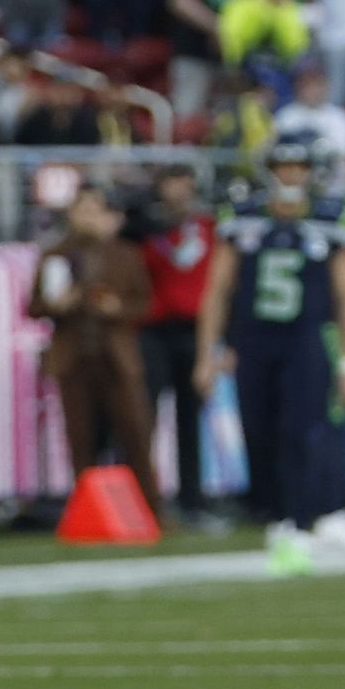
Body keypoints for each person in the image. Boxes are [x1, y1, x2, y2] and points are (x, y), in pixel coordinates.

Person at [192, 138, 345, 573]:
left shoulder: (330, 218)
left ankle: (300, 522)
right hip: (253, 338)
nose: (290, 174)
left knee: (301, 430)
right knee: (258, 429)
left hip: (306, 338)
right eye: (283, 165)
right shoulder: (243, 217)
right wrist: (208, 351)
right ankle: (276, 515)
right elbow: (218, 289)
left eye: (298, 166)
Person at [28, 183, 160, 517]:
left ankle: (148, 509)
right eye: (82, 210)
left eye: (93, 210)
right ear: (72, 214)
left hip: (117, 358)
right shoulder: (55, 254)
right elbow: (34, 305)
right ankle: (89, 511)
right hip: (73, 358)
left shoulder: (124, 254)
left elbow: (144, 304)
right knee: (81, 439)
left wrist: (117, 308)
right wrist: (59, 305)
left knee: (134, 434)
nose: (88, 217)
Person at [129, 163, 214, 527]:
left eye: (185, 183)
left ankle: (192, 501)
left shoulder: (206, 227)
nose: (180, 191)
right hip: (153, 331)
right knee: (144, 415)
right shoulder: (144, 228)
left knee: (190, 420)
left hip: (194, 330)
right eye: (173, 184)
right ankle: (141, 497)